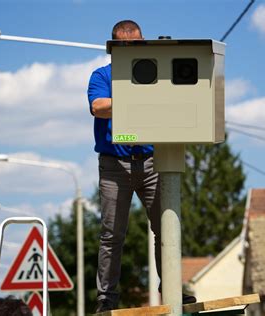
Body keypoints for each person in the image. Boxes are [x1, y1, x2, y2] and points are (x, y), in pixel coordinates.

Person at [87, 20, 196, 313]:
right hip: (114, 166)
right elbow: (98, 107)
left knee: (167, 227)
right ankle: (107, 297)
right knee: (112, 234)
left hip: (151, 161)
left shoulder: (155, 72)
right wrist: (136, 94)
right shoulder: (102, 76)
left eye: (136, 45)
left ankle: (172, 286)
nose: (131, 51)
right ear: (113, 49)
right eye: (125, 48)